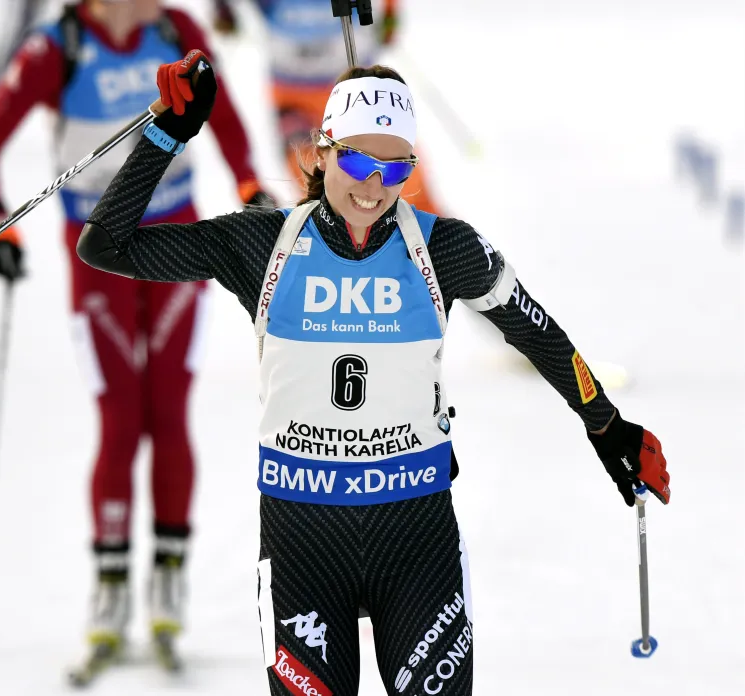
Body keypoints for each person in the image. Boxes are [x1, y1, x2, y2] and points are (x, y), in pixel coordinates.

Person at [76, 51, 672, 695]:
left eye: (396, 168)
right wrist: (167, 135)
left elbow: (537, 331)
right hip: (303, 541)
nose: (373, 186)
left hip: (415, 538)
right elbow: (106, 246)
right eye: (358, 160)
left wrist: (606, 426)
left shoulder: (445, 247)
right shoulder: (260, 243)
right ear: (323, 150)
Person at [0, 0, 272, 662]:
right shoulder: (57, 49)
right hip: (96, 256)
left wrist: (249, 181)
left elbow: (226, 118)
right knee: (119, 418)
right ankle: (109, 588)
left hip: (176, 251)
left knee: (167, 412)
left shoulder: (174, 31)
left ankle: (167, 583)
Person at [213, 0, 443, 214]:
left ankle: (435, 241)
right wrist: (223, 9)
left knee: (394, 172)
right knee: (315, 180)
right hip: (293, 90)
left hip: (354, 84)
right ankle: (337, 247)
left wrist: (390, 13)